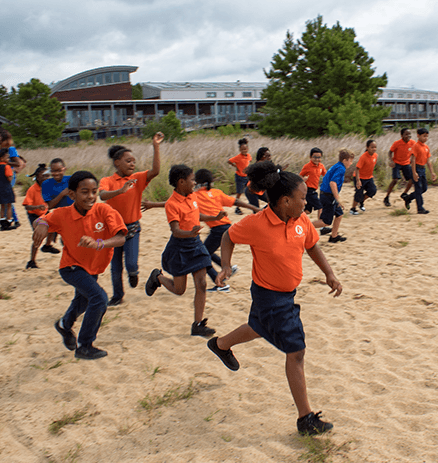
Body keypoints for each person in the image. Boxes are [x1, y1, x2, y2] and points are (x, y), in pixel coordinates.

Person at [206, 160, 342, 436]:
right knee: (296, 351)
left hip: (286, 294)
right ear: (284, 201)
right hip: (270, 296)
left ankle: (220, 345)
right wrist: (226, 266)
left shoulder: (300, 220)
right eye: (302, 198)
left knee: (258, 327)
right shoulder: (256, 224)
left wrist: (329, 273)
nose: (307, 203)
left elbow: (312, 245)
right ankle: (305, 418)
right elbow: (228, 237)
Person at [33, 171, 127, 360]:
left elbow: (121, 238)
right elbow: (41, 219)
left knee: (82, 302)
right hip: (71, 267)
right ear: (72, 195)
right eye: (85, 192)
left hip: (92, 268)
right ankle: (85, 345)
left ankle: (64, 325)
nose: (91, 196)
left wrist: (99, 243)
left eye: (94, 191)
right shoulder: (63, 214)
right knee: (99, 298)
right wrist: (42, 223)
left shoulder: (105, 211)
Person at [144, 165, 225, 337]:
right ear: (181, 182)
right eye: (192, 180)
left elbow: (197, 215)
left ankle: (197, 324)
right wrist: (190, 233)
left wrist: (214, 218)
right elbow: (175, 230)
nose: (195, 183)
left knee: (202, 284)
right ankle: (157, 277)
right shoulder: (172, 204)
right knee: (179, 290)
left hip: (195, 244)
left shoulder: (192, 196)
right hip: (180, 247)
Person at [99, 132, 163, 306]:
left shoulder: (136, 179)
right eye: (128, 161)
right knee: (115, 266)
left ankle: (133, 273)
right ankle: (117, 296)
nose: (132, 164)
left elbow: (155, 171)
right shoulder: (108, 180)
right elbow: (103, 195)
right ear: (117, 162)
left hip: (132, 227)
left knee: (131, 264)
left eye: (134, 161)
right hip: (113, 230)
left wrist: (156, 146)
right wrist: (120, 191)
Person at [194, 169, 259, 291]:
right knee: (206, 251)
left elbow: (173, 203)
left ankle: (220, 283)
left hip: (218, 230)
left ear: (197, 182)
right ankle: (228, 267)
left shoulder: (195, 196)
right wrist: (254, 207)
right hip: (226, 227)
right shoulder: (216, 192)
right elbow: (236, 201)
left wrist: (154, 205)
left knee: (201, 256)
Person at [311, 149, 355, 243]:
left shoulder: (337, 166)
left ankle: (333, 236)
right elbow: (332, 183)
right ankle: (304, 226)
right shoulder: (341, 168)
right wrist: (337, 198)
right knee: (326, 222)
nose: (351, 163)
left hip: (326, 194)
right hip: (328, 197)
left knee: (339, 214)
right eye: (350, 161)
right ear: (344, 160)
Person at [41, 158, 73, 254]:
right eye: (53, 171)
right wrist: (62, 194)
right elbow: (49, 206)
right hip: (61, 216)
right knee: (66, 240)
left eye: (59, 170)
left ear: (64, 169)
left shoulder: (71, 180)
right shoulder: (46, 184)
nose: (56, 173)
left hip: (76, 214)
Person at [23, 163, 50, 269]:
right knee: (38, 236)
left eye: (48, 176)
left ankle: (48, 245)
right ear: (37, 177)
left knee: (57, 230)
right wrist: (37, 206)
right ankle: (32, 261)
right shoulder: (32, 189)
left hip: (46, 214)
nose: (46, 178)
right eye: (44, 176)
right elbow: (27, 207)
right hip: (34, 215)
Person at [383, 128, 415, 207]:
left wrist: (412, 160)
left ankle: (404, 194)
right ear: (402, 135)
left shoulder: (413, 143)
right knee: (395, 180)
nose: (408, 136)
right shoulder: (397, 143)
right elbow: (390, 152)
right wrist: (391, 161)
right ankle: (386, 197)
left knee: (412, 179)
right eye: (406, 134)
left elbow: (414, 152)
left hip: (406, 163)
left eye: (409, 134)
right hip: (397, 163)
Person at [410, 128, 438, 214]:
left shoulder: (426, 147)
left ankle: (408, 198)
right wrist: (414, 172)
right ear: (418, 136)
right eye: (424, 136)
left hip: (423, 169)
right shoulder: (416, 146)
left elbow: (428, 161)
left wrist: (432, 172)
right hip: (417, 168)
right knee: (418, 189)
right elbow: (413, 160)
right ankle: (420, 208)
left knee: (424, 188)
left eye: (427, 136)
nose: (426, 138)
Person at [350, 140, 378, 215]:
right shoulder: (363, 157)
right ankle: (353, 209)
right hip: (359, 177)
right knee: (358, 193)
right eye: (372, 147)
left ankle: (361, 201)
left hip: (369, 177)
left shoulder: (375, 155)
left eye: (375, 147)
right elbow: (357, 169)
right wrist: (358, 180)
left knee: (373, 190)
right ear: (367, 147)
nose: (374, 149)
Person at [0, 149, 16, 231]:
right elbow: (9, 178)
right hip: (6, 187)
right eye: (7, 158)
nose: (8, 159)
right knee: (9, 205)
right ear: (2, 158)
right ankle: (9, 221)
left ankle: (2, 220)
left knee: (2, 206)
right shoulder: (7, 167)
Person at [299, 148, 327, 217]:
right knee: (320, 207)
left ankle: (296, 218)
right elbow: (299, 177)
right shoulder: (307, 166)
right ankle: (321, 225)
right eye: (315, 157)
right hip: (308, 190)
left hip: (314, 189)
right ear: (310, 157)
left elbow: (326, 175)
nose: (317, 159)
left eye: (319, 157)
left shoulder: (321, 166)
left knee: (308, 211)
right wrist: (303, 179)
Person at [227, 138, 251, 215]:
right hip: (240, 176)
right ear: (240, 150)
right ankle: (237, 208)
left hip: (247, 176)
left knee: (250, 190)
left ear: (247, 149)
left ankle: (251, 204)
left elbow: (248, 163)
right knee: (239, 193)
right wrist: (235, 166)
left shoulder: (249, 156)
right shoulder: (238, 157)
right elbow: (229, 161)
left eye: (245, 149)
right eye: (242, 149)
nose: (244, 150)